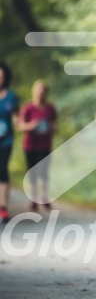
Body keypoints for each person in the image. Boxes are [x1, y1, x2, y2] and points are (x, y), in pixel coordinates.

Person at [18, 80, 57, 211]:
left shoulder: (50, 108)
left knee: (44, 173)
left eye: (43, 90)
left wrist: (52, 128)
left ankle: (44, 197)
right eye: (39, 89)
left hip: (45, 145)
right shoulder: (28, 108)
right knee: (32, 173)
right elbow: (20, 126)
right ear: (34, 91)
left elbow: (55, 124)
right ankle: (33, 198)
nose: (41, 92)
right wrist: (31, 126)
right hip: (30, 145)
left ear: (46, 92)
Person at [0, 61, 19, 224]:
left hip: (6, 140)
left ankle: (3, 208)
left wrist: (22, 124)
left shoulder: (11, 96)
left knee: (2, 169)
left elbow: (16, 117)